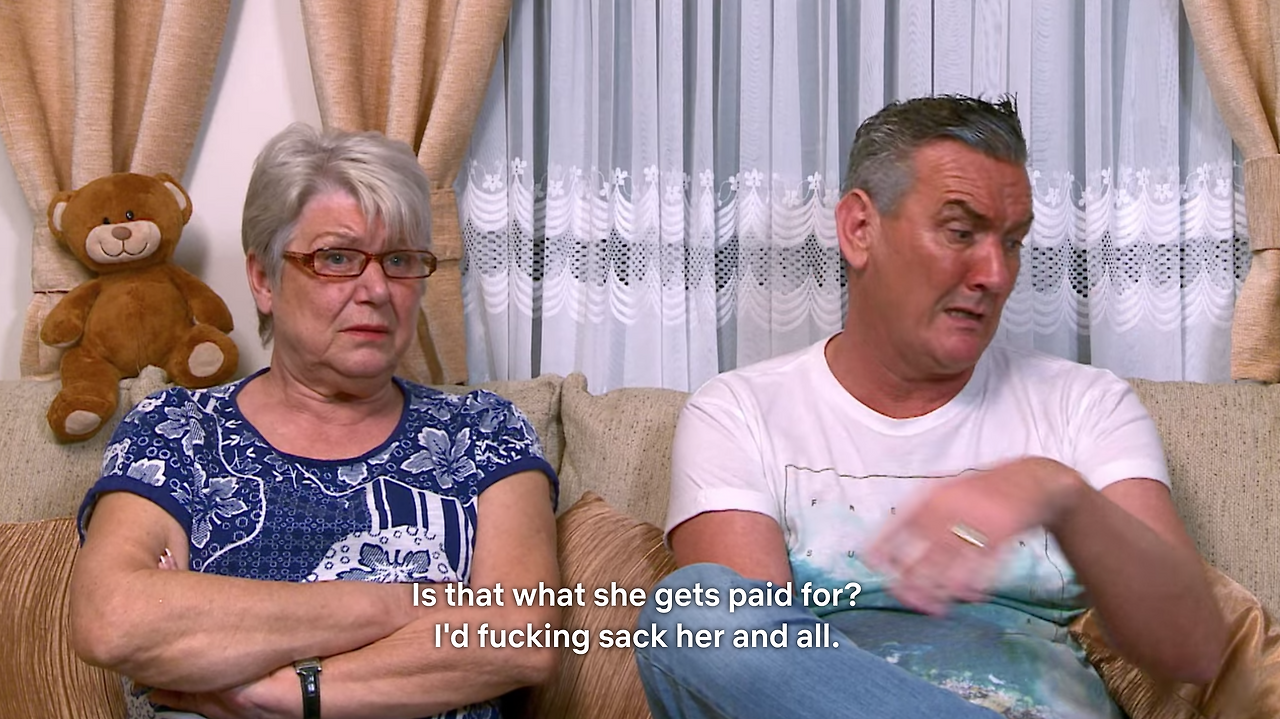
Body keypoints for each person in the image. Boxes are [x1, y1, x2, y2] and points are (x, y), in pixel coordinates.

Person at [633, 96, 1227, 719]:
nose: (995, 273)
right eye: (961, 233)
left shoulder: (1086, 406)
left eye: (1013, 242)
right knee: (696, 612)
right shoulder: (740, 413)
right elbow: (746, 681)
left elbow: (1193, 649)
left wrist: (1058, 493)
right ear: (859, 230)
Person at [69, 124, 560, 719]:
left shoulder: (484, 431)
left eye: (399, 260)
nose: (377, 288)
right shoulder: (177, 428)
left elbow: (522, 637)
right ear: (263, 280)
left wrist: (283, 694)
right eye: (337, 258)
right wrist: (401, 605)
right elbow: (114, 620)